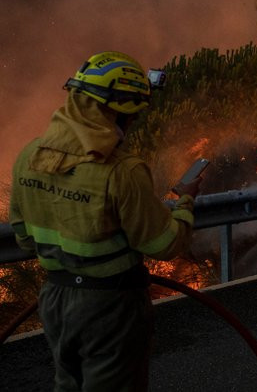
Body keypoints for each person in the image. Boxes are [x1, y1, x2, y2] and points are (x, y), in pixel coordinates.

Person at [8, 51, 200, 391]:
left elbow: (24, 238)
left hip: (54, 299)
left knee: (68, 385)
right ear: (119, 110)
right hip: (110, 306)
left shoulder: (29, 156)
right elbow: (164, 244)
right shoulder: (121, 170)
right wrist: (185, 203)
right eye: (135, 112)